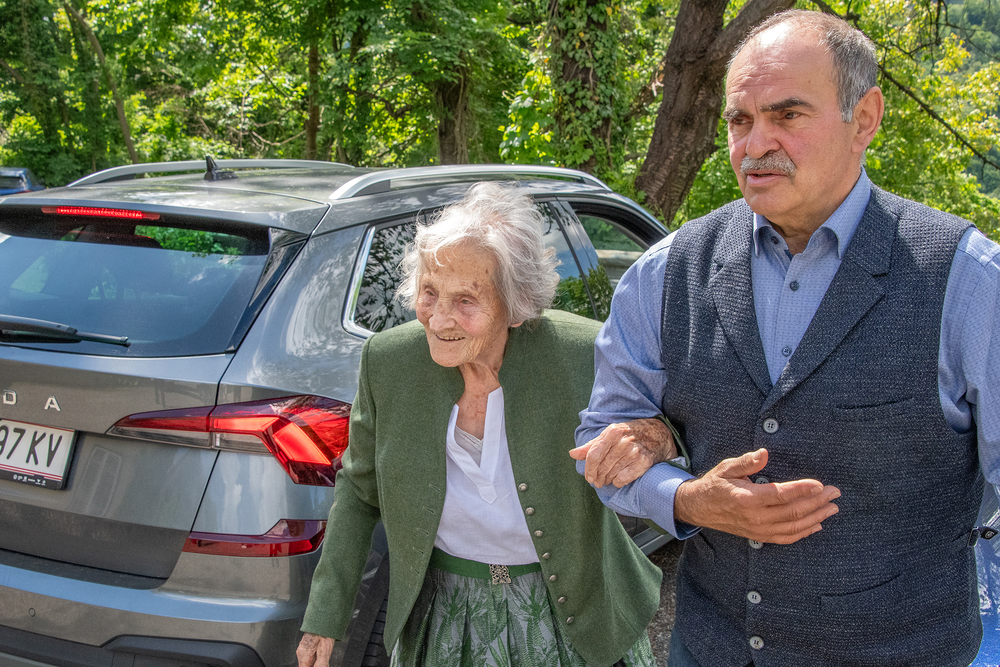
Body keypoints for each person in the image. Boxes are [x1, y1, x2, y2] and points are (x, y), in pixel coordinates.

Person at [572, 9, 1000, 667]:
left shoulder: (966, 279)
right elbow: (601, 439)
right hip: (709, 649)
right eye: (739, 121)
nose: (756, 144)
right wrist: (686, 499)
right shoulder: (668, 272)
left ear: (865, 117)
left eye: (788, 115)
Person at [297, 182, 668, 667]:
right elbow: (359, 490)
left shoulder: (585, 353)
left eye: (466, 301)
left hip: (576, 610)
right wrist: (324, 618)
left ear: (515, 305)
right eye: (429, 293)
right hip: (445, 614)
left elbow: (668, 431)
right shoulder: (389, 362)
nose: (439, 319)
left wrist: (652, 442)